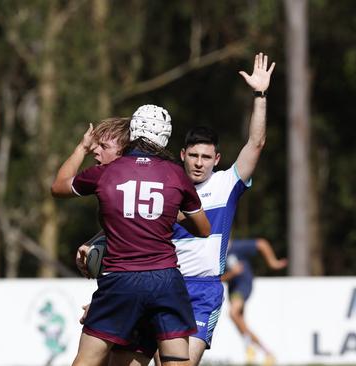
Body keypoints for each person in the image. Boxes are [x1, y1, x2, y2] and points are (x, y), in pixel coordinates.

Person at [77, 52, 275, 366]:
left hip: (201, 292)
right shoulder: (166, 182)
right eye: (193, 155)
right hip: (159, 282)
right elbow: (128, 217)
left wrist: (260, 95)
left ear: (217, 160)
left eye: (206, 157)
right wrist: (94, 242)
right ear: (181, 154)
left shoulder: (227, 185)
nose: (199, 163)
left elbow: (256, 143)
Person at [51, 106, 211, 366]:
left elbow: (58, 187)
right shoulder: (176, 175)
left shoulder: (106, 173)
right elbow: (204, 229)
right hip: (166, 282)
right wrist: (169, 217)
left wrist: (81, 147)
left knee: (88, 361)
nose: (95, 151)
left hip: (120, 281)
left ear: (133, 133)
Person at [221, 238, 287, 362]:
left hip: (243, 285)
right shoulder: (217, 254)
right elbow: (218, 279)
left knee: (233, 314)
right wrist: (231, 274)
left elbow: (261, 244)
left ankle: (249, 346)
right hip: (233, 288)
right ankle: (268, 354)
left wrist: (273, 262)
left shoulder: (237, 247)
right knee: (241, 323)